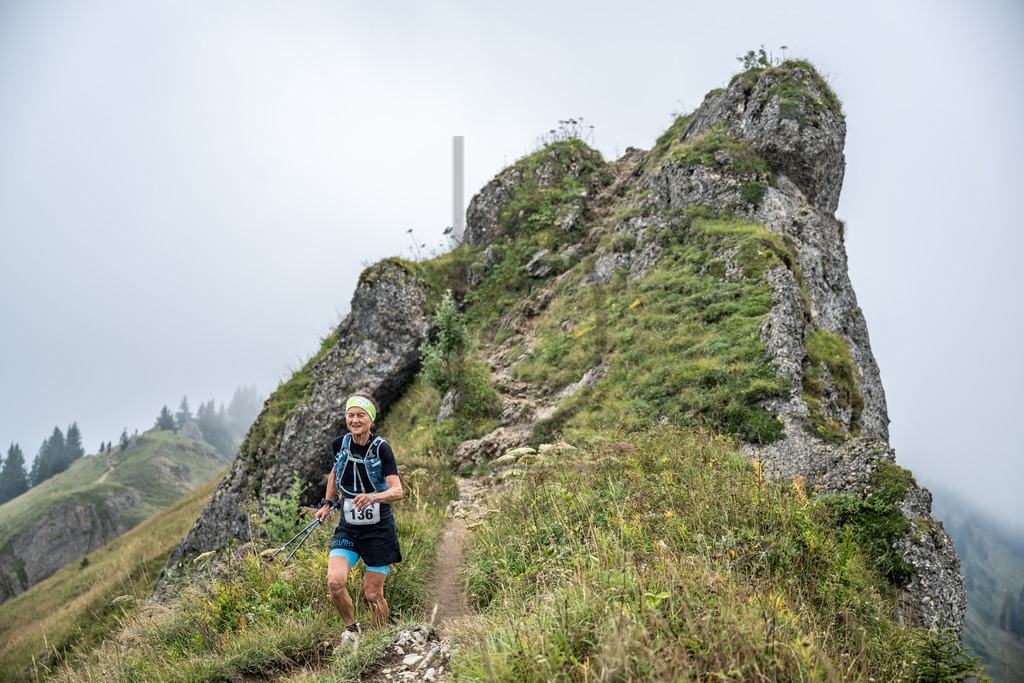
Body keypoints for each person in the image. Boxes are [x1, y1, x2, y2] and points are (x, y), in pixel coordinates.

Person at [314, 392, 403, 640]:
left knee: (373, 594)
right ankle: (353, 630)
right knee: (334, 582)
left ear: (370, 419)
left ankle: (379, 639)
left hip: (378, 527)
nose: (355, 420)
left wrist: (374, 497)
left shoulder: (382, 449)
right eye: (350, 415)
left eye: (360, 415)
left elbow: (398, 491)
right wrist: (327, 503)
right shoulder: (339, 444)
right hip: (349, 525)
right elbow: (335, 471)